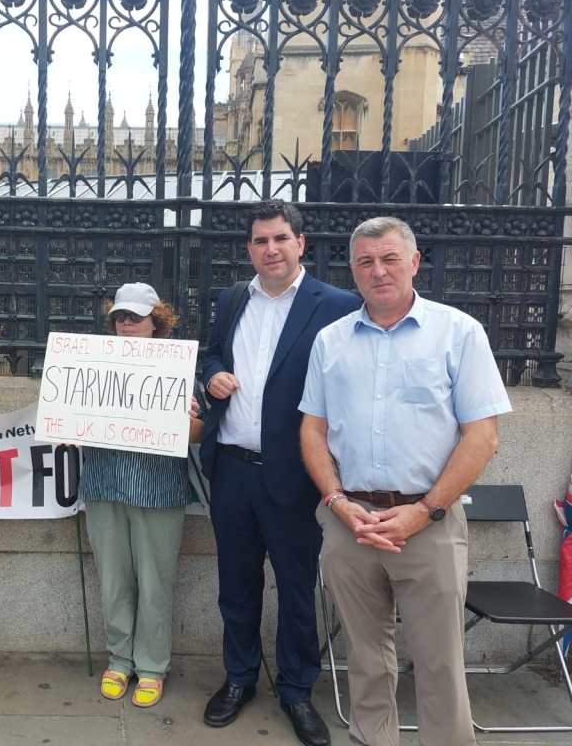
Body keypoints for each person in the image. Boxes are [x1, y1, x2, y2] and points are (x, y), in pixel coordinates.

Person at [299, 216, 511, 746]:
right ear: (353, 270)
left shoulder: (458, 333)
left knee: (440, 663)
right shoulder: (331, 341)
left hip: (429, 524)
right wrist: (336, 500)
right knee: (366, 660)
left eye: (390, 258)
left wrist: (425, 512)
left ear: (414, 262)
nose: (379, 271)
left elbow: (481, 437)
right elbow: (313, 429)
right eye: (366, 261)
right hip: (352, 522)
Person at [200, 200, 359, 746]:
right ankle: (239, 678)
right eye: (261, 241)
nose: (271, 249)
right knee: (236, 588)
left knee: (295, 590)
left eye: (280, 239)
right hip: (231, 472)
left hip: (295, 476)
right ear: (249, 249)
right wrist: (215, 374)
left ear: (301, 244)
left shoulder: (336, 305)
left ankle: (296, 691)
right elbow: (211, 356)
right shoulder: (230, 299)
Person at [80, 283, 204, 709]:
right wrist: (66, 426)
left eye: (136, 317)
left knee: (155, 582)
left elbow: (200, 433)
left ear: (157, 321)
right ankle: (119, 658)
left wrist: (187, 419)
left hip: (157, 487)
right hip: (103, 482)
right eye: (120, 317)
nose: (128, 324)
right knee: (113, 579)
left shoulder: (181, 368)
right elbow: (72, 415)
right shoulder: (90, 365)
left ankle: (151, 666)